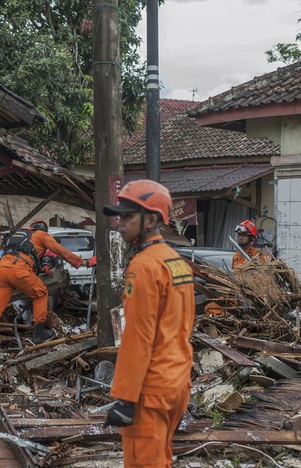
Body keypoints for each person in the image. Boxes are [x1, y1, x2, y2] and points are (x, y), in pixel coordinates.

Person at [102, 180, 195, 467]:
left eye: (128, 217)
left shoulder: (143, 266)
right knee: (160, 459)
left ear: (152, 220)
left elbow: (138, 336)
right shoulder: (176, 262)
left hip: (149, 389)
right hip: (176, 382)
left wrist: (125, 397)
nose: (119, 224)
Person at [0, 219, 96, 361]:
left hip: (1, 271)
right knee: (41, 293)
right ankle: (38, 332)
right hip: (20, 271)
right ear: (43, 229)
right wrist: (83, 262)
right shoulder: (41, 235)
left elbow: (15, 252)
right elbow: (59, 250)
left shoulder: (18, 235)